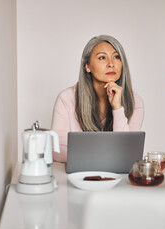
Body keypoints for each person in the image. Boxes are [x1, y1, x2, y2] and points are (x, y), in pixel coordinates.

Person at [51, 35, 144, 163]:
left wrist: (117, 108)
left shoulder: (135, 101)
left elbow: (127, 153)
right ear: (87, 66)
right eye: (102, 58)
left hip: (119, 179)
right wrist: (103, 158)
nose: (111, 64)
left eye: (116, 57)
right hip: (78, 179)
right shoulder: (66, 99)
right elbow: (57, 152)